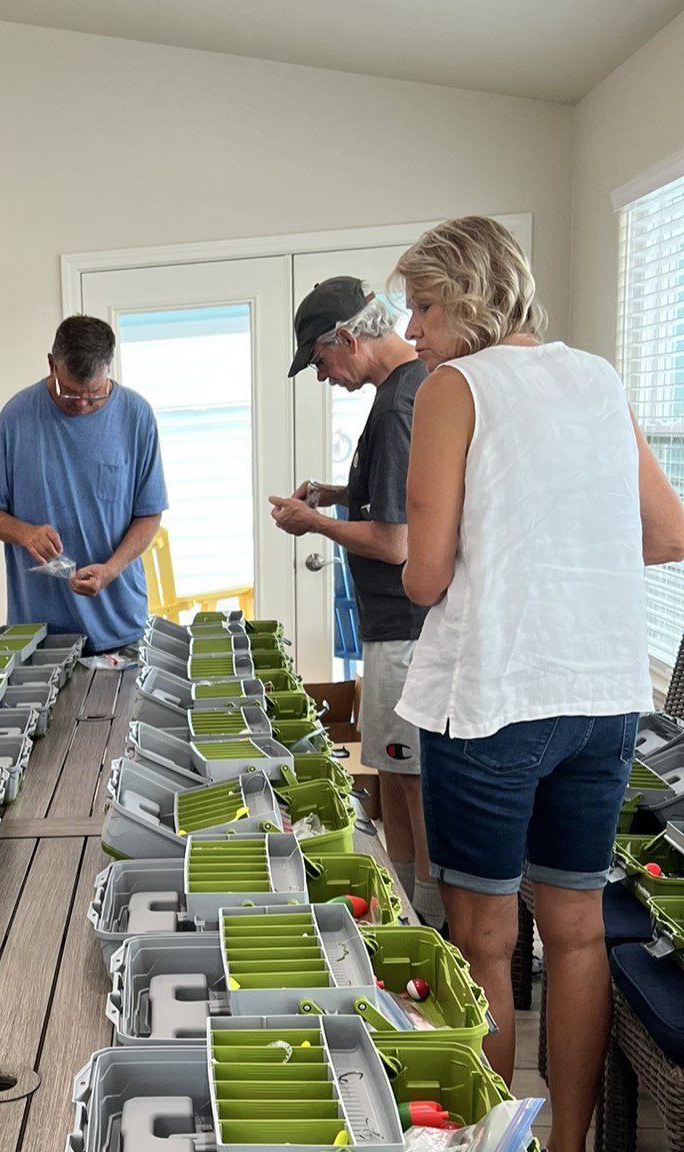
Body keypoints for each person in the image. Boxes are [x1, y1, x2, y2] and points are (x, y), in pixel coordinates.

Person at [394, 216, 684, 1152]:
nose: (415, 333)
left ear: (474, 298)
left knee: (482, 941)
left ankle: (489, 1143)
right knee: (577, 933)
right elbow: (668, 534)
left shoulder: (454, 387)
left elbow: (426, 577)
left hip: (494, 697)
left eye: (427, 309)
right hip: (601, 696)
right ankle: (566, 1147)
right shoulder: (597, 376)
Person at [266, 278, 441, 926]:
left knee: (412, 788)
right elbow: (399, 502)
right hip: (397, 630)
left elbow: (395, 542)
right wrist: (341, 493)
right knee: (393, 776)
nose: (322, 377)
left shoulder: (399, 405)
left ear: (345, 338)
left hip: (404, 630)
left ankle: (422, 930)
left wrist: (316, 525)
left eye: (318, 362)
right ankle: (394, 910)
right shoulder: (406, 390)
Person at [0, 315, 167, 653]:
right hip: (40, 637)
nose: (81, 404)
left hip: (120, 629)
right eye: (70, 392)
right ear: (51, 365)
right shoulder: (16, 418)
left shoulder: (137, 417)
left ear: (109, 368)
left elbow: (149, 515)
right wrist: (26, 534)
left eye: (94, 395)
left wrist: (111, 569)